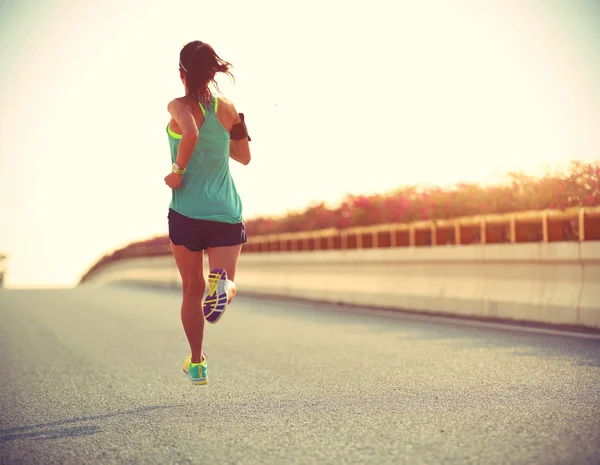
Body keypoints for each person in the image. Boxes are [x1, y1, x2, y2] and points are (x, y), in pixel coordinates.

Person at [164, 40, 251, 385]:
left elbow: (191, 132)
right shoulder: (227, 108)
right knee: (226, 282)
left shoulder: (177, 104)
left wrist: (178, 171)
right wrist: (233, 130)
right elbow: (244, 157)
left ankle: (197, 363)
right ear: (213, 72)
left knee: (190, 290)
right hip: (225, 212)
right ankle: (224, 288)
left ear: (181, 73)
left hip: (187, 212)